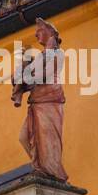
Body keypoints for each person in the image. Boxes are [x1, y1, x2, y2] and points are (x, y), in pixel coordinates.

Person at [11, 18, 68, 182]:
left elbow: (46, 75)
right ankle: (41, 166)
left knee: (48, 137)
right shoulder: (40, 56)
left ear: (50, 32)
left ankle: (50, 171)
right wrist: (20, 74)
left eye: (39, 30)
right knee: (25, 137)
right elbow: (26, 77)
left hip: (50, 100)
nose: (36, 34)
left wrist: (26, 77)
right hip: (36, 102)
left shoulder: (57, 53)